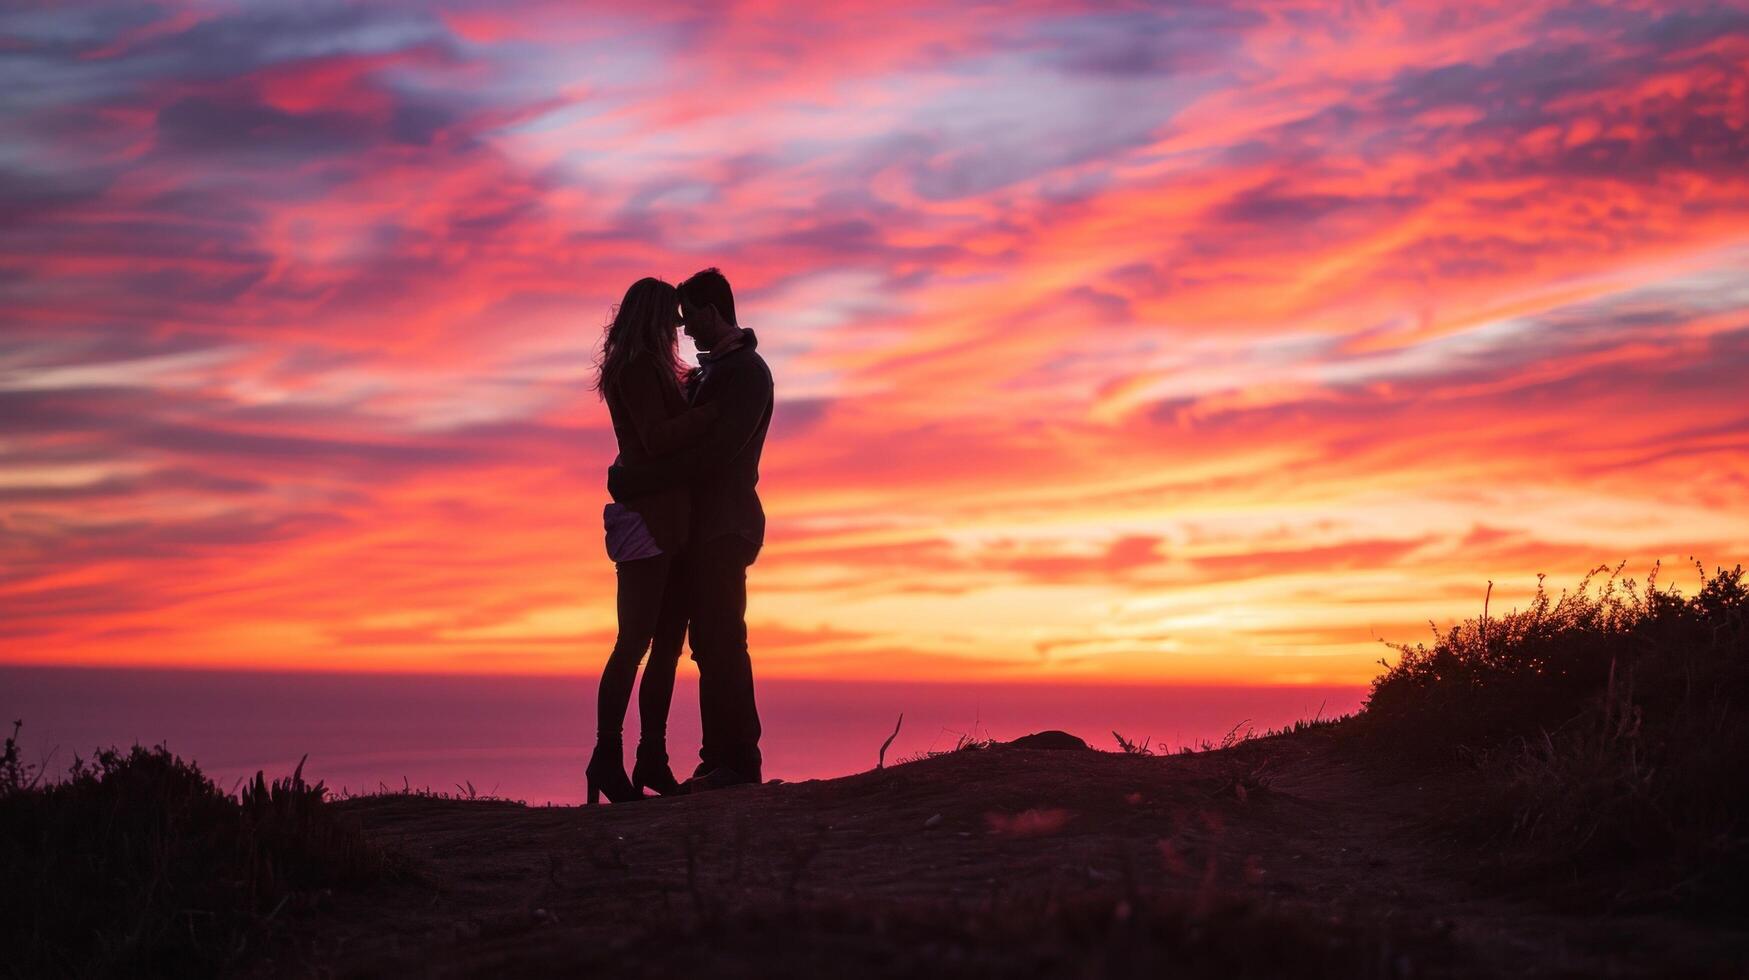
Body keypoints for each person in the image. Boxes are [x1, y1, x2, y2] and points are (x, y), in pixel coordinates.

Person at [609, 267, 773, 791]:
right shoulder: (713, 372)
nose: (684, 331)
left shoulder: (745, 371)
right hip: (698, 530)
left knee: (723, 639)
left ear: (709, 311)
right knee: (706, 643)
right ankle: (716, 757)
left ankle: (739, 760)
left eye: (688, 319)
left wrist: (635, 479)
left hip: (726, 526)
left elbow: (716, 455)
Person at [587, 277, 720, 805]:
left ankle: (651, 757)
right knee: (635, 644)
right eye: (673, 318)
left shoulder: (649, 368)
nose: (679, 328)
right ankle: (607, 755)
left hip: (668, 519)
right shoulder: (639, 369)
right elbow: (656, 438)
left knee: (664, 646)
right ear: (655, 318)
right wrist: (709, 413)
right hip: (649, 521)